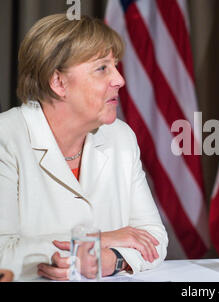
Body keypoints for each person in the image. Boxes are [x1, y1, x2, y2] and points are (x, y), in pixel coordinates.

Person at [0, 14, 168, 281]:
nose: (119, 80)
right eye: (102, 68)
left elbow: (153, 238)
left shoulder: (121, 137)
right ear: (58, 82)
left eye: (115, 66)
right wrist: (102, 239)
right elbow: (2, 254)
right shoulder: (6, 137)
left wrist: (111, 259)